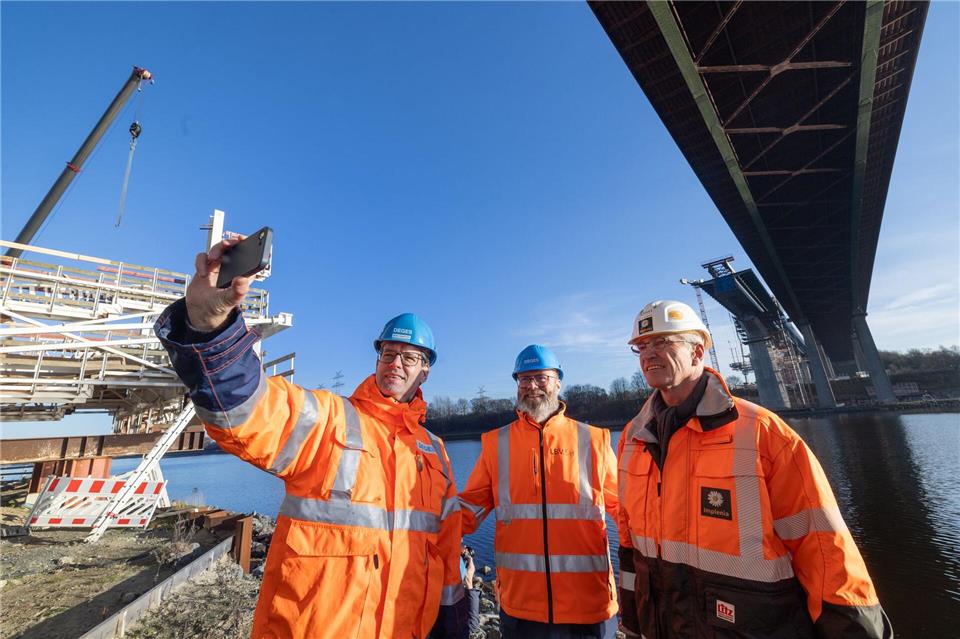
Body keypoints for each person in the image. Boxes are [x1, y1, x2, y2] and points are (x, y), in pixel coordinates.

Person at [153, 238, 466, 639]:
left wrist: (452, 621)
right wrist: (209, 327)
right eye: (388, 354)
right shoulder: (330, 420)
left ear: (425, 372)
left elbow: (446, 545)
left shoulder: (434, 451)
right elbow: (250, 411)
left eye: (410, 357)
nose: (396, 364)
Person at [616, 300, 892, 639]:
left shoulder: (762, 432)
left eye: (662, 342)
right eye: (641, 346)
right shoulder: (633, 438)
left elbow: (822, 547)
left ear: (698, 351)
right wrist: (630, 621)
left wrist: (853, 632)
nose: (649, 354)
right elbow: (629, 545)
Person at [458, 345, 619, 638]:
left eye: (540, 378)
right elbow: (469, 508)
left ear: (558, 381)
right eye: (523, 379)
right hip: (521, 606)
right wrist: (425, 522)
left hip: (589, 604)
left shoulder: (593, 440)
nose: (531, 386)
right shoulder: (496, 444)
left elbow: (628, 509)